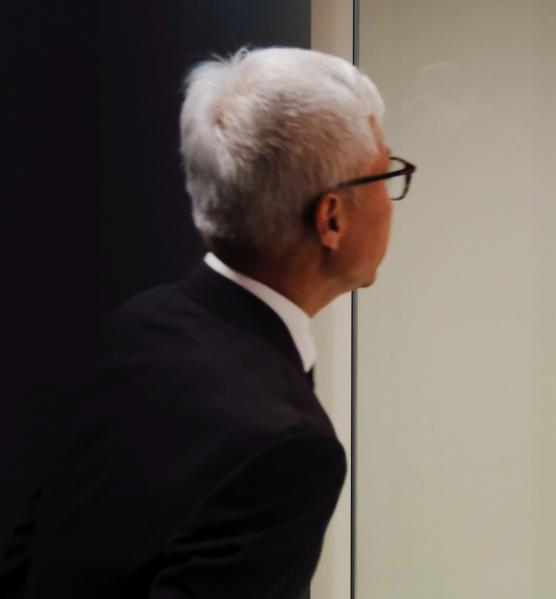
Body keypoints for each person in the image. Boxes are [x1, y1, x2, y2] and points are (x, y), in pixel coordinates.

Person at [0, 48, 414, 598]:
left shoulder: (142, 322)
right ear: (331, 219)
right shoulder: (289, 447)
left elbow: (36, 549)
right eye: (386, 173)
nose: (392, 200)